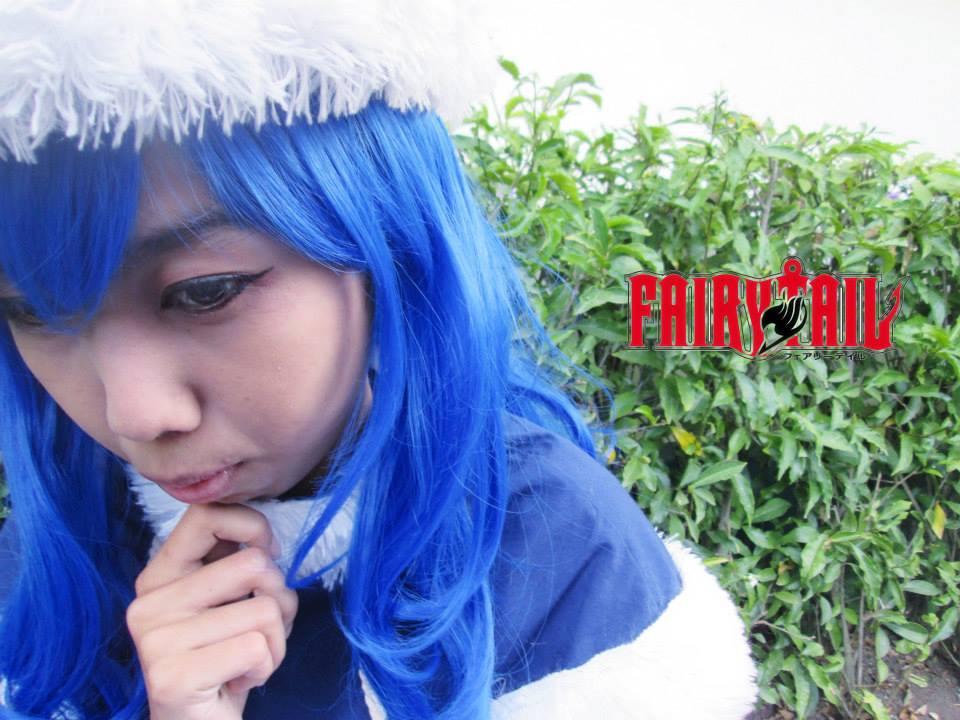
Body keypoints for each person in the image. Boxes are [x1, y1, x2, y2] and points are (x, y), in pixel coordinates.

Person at [0, 2, 758, 718]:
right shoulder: (53, 546)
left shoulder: (558, 553)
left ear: (389, 250)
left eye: (206, 292)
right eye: (32, 313)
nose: (136, 415)